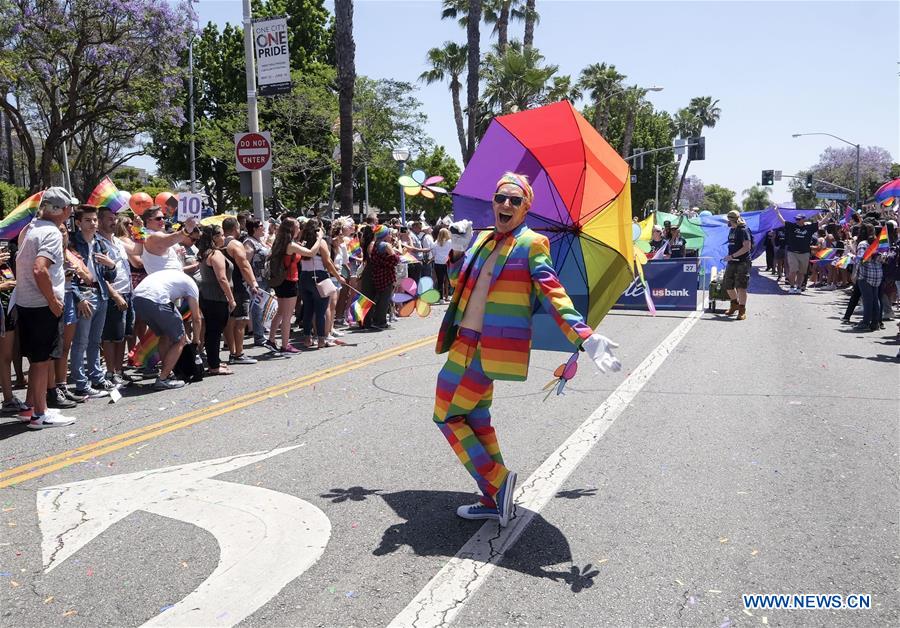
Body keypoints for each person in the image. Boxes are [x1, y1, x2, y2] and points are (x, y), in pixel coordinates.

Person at [432, 172, 620, 527]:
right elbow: (458, 283)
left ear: (525, 208)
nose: (505, 205)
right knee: (476, 419)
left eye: (514, 201)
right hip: (464, 342)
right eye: (500, 197)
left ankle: (497, 483)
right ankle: (493, 498)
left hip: (483, 349)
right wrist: (458, 249)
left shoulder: (532, 244)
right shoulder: (484, 240)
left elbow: (553, 293)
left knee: (445, 414)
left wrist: (586, 337)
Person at [14, 187, 78, 428]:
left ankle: (30, 407)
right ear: (60, 210)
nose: (70, 210)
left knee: (36, 359)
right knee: (41, 361)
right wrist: (53, 301)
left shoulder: (29, 228)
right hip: (42, 304)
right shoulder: (51, 233)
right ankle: (41, 413)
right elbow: (40, 269)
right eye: (68, 206)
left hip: (26, 302)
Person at [68, 205, 119, 398]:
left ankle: (96, 377)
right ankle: (81, 383)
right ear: (79, 223)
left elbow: (110, 275)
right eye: (88, 220)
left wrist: (111, 265)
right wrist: (78, 298)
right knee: (80, 341)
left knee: (95, 340)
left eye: (95, 220)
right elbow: (68, 275)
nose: (93, 224)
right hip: (84, 294)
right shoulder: (72, 243)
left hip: (101, 293)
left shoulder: (99, 243)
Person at [132, 268, 202, 389]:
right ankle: (163, 379)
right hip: (156, 299)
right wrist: (196, 340)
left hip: (138, 299)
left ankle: (167, 374)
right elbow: (196, 318)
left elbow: (173, 309)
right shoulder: (192, 286)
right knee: (180, 340)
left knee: (164, 335)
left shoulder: (173, 277)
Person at [264, 218, 321, 354]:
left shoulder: (280, 242)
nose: (299, 230)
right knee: (287, 316)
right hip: (289, 281)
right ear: (292, 229)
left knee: (280, 313)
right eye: (297, 227)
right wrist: (319, 238)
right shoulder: (290, 245)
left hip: (281, 281)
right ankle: (285, 345)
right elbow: (311, 252)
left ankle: (271, 340)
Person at [97, 207, 136, 386]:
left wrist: (139, 229)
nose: (113, 222)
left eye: (114, 218)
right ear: (100, 221)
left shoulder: (118, 241)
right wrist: (115, 295)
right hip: (114, 294)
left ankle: (119, 370)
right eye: (109, 219)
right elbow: (99, 275)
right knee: (110, 337)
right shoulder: (98, 243)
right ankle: (111, 371)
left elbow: (138, 252)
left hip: (127, 292)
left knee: (123, 335)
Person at [298, 218, 346, 349]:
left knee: (308, 309)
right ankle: (321, 339)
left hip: (304, 277)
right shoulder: (321, 242)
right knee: (321, 310)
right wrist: (338, 276)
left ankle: (307, 338)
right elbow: (328, 262)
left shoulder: (303, 242)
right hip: (318, 276)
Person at [197, 225, 237, 375]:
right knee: (215, 332)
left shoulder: (205, 254)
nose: (223, 237)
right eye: (220, 235)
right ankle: (214, 365)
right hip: (216, 298)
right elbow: (222, 278)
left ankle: (215, 361)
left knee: (212, 332)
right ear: (214, 237)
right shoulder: (216, 254)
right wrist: (231, 298)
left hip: (207, 297)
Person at [221, 217, 259, 365]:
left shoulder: (221, 244)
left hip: (227, 286)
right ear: (236, 227)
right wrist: (253, 283)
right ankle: (239, 354)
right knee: (241, 320)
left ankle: (232, 352)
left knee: (230, 321)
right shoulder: (236, 244)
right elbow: (244, 266)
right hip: (238, 285)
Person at [361, 224, 399, 330]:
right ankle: (380, 322)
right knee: (384, 299)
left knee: (377, 298)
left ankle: (372, 320)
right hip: (386, 275)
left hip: (377, 273)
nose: (390, 236)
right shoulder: (386, 245)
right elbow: (394, 259)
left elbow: (372, 258)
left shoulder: (374, 244)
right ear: (385, 235)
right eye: (389, 234)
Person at [140, 206, 197, 274]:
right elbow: (172, 239)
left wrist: (177, 252)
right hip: (166, 280)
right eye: (158, 218)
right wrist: (187, 230)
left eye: (163, 217)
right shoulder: (152, 236)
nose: (162, 220)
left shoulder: (149, 234)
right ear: (148, 220)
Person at [244, 218, 271, 347]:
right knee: (257, 308)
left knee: (264, 307)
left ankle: (262, 332)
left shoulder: (260, 241)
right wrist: (250, 281)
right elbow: (245, 263)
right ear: (254, 228)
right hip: (257, 280)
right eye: (261, 226)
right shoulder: (249, 243)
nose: (264, 227)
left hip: (265, 279)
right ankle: (258, 336)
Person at [722, 210, 752, 320]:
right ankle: (734, 304)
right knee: (727, 285)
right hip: (732, 262)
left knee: (741, 287)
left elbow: (747, 247)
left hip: (743, 262)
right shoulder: (732, 230)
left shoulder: (743, 230)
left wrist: (733, 256)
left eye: (728, 220)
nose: (727, 222)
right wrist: (730, 257)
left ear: (731, 220)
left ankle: (742, 310)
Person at [779, 212, 818, 294]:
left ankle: (799, 287)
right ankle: (792, 286)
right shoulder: (792, 226)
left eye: (799, 219)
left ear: (803, 220)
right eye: (796, 219)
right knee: (793, 270)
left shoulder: (809, 227)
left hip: (805, 253)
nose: (797, 220)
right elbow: (782, 221)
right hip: (792, 252)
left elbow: (821, 223)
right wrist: (776, 212)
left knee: (801, 272)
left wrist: (829, 214)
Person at [855, 223, 883, 332]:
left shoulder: (863, 244)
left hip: (866, 274)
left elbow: (862, 258)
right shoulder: (879, 243)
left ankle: (865, 322)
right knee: (875, 299)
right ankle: (875, 323)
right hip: (877, 275)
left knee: (867, 300)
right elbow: (883, 258)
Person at [432, 227, 453, 302]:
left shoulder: (435, 243)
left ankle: (441, 298)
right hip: (448, 263)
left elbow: (433, 253)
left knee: (440, 281)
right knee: (449, 280)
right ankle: (448, 295)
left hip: (438, 263)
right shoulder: (450, 242)